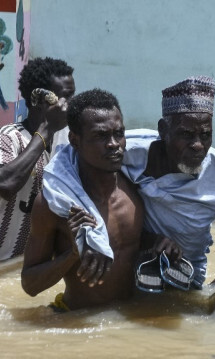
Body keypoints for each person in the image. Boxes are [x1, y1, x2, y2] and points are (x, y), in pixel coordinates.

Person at [119, 76, 215, 289]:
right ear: (163, 131)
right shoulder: (125, 152)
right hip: (127, 267)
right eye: (186, 134)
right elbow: (75, 156)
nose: (198, 145)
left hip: (185, 276)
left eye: (205, 135)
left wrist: (212, 292)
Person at [21, 89, 145, 310]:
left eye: (119, 133)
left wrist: (162, 243)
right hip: (77, 324)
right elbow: (30, 285)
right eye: (101, 136)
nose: (114, 144)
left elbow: (132, 246)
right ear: (75, 141)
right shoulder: (55, 204)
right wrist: (72, 254)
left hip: (130, 321)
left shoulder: (136, 188)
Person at [0, 57, 76, 264]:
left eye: (72, 96)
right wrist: (46, 130)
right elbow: (4, 185)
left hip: (38, 268)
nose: (70, 104)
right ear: (39, 100)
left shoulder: (70, 139)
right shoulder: (7, 137)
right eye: (65, 97)